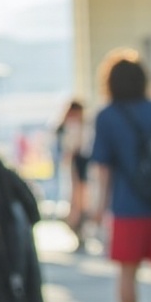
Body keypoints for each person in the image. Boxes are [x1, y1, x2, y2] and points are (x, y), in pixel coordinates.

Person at [90, 50, 151, 302]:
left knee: (127, 275)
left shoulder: (107, 116)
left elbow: (103, 169)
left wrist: (98, 210)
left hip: (128, 209)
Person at [55, 99, 91, 239]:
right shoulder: (68, 127)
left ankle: (79, 224)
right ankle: (76, 224)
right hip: (76, 164)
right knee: (77, 195)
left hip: (83, 164)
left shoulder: (85, 126)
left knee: (81, 196)